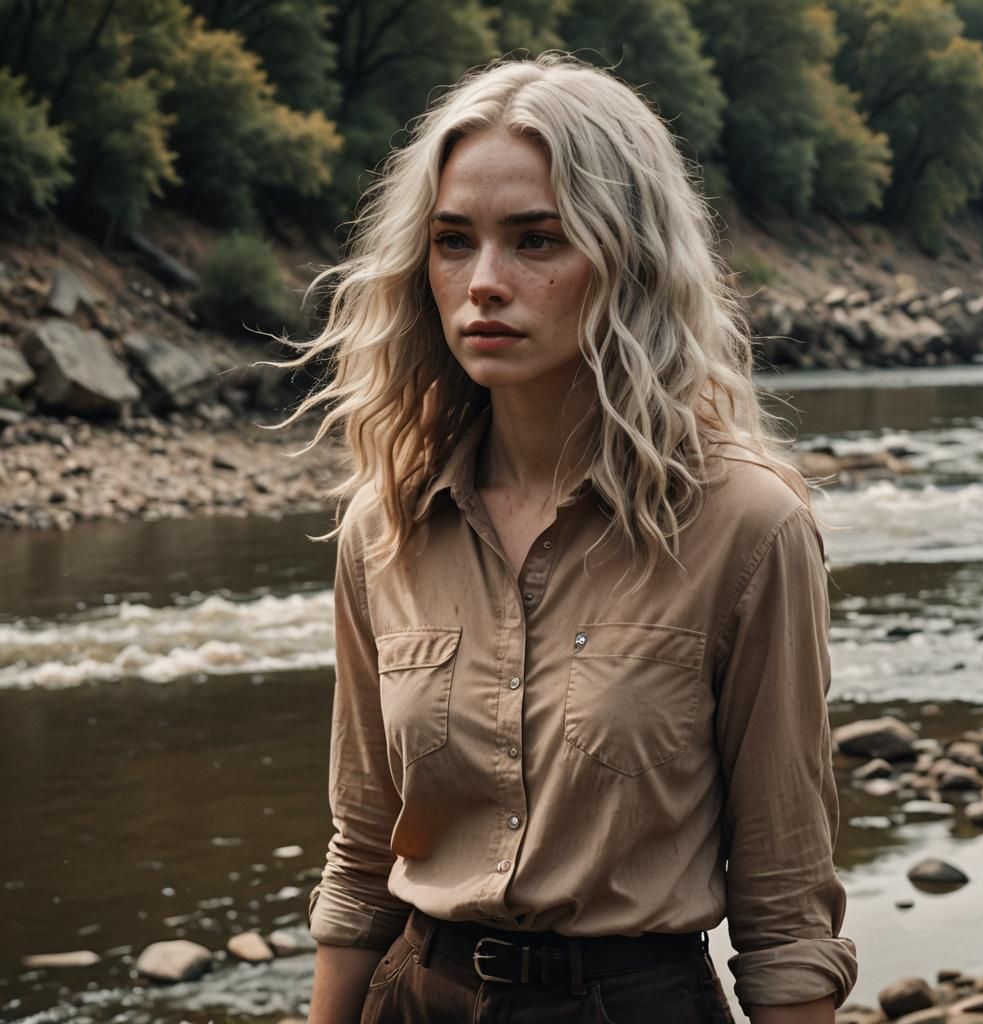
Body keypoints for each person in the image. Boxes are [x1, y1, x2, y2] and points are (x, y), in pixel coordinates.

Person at [295, 52, 857, 1024]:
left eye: (537, 240)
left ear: (629, 259)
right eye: (452, 241)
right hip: (415, 998)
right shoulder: (383, 524)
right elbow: (360, 855)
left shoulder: (749, 528)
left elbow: (786, 906)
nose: (483, 282)